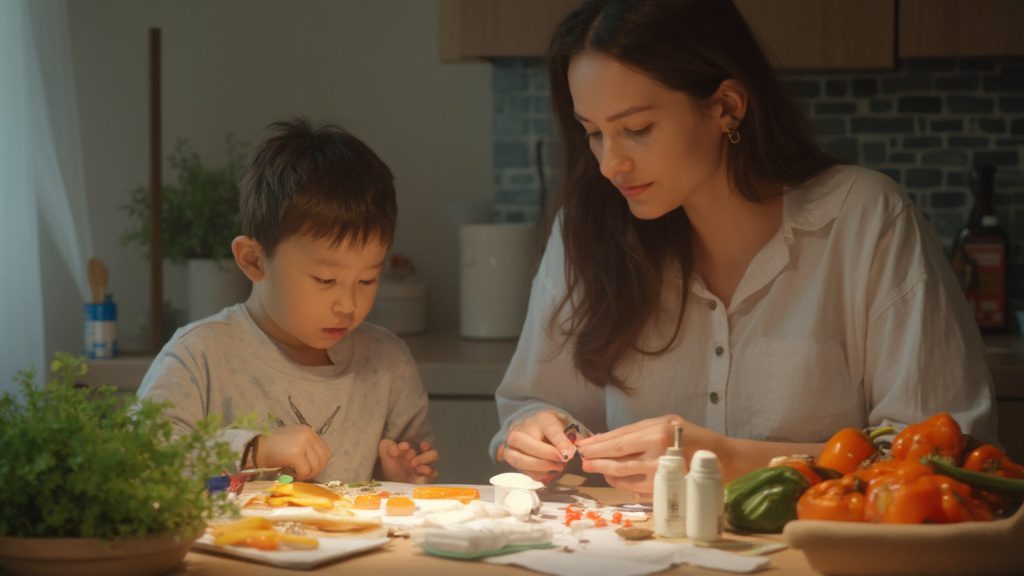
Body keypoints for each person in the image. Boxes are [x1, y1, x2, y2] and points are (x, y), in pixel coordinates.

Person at [490, 0, 997, 494]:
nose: (609, 164)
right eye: (593, 134)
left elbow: (946, 462)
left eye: (636, 129)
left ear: (726, 107)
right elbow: (534, 402)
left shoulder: (864, 220)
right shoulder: (589, 229)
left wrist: (729, 461)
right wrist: (538, 432)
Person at [138, 118, 438, 483]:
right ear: (253, 259)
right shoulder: (199, 355)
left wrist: (401, 477)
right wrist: (254, 450)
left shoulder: (388, 362)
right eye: (325, 279)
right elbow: (144, 458)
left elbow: (414, 490)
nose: (348, 304)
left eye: (367, 279)